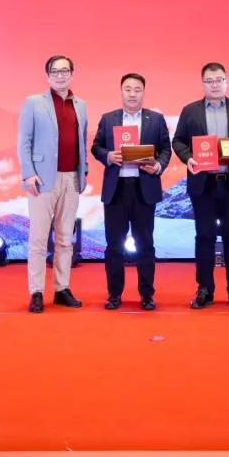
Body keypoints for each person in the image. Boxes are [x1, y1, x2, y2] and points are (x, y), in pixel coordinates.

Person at [171, 62, 229, 309]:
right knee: (204, 237)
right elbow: (178, 141)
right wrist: (188, 158)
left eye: (218, 80)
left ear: (226, 81)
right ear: (202, 84)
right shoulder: (190, 111)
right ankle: (204, 290)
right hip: (203, 184)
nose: (214, 85)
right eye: (209, 81)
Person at [91, 73, 172, 310]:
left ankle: (147, 294)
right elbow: (96, 147)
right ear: (121, 91)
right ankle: (114, 294)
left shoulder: (155, 119)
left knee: (145, 244)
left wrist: (158, 166)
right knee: (114, 246)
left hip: (143, 188)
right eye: (128, 89)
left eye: (137, 89)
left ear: (143, 92)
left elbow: (165, 150)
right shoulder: (108, 119)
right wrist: (108, 156)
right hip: (116, 190)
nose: (132, 94)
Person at [16, 55, 89, 313]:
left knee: (65, 239)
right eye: (55, 71)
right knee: (38, 239)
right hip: (42, 179)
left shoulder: (81, 105)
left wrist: (83, 171)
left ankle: (61, 288)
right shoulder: (34, 103)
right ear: (47, 76)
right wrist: (28, 173)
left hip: (71, 178)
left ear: (72, 74)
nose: (60, 75)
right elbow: (24, 140)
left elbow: (82, 140)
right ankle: (36, 291)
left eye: (64, 71)